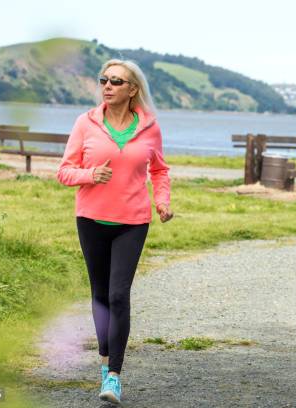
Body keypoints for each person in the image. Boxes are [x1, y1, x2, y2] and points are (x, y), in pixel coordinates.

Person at [56, 58, 173, 405]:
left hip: (132, 222)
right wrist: (90, 175)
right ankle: (105, 359)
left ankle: (114, 376)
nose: (107, 85)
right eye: (104, 79)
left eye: (116, 81)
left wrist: (162, 201)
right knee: (100, 295)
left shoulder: (149, 126)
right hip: (91, 219)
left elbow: (160, 170)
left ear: (132, 89)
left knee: (119, 294)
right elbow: (64, 171)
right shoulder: (85, 123)